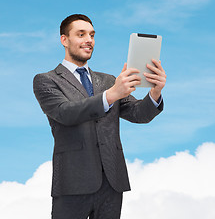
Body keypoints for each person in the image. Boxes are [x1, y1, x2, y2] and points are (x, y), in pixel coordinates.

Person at [33, 14, 166, 219]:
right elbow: (65, 113)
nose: (89, 40)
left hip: (112, 183)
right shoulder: (46, 80)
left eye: (92, 35)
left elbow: (139, 114)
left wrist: (155, 92)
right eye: (81, 34)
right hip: (72, 184)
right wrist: (113, 94)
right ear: (64, 40)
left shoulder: (108, 81)